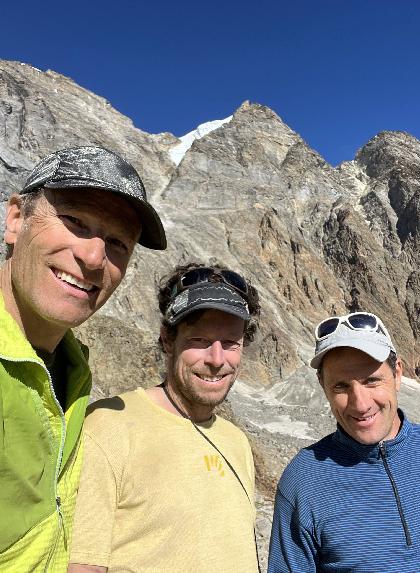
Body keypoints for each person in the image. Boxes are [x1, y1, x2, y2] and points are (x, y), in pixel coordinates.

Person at [0, 146, 166, 572]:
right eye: (75, 221)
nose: (94, 258)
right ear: (16, 218)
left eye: (117, 244)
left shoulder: (72, 372)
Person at [68, 263, 261, 573]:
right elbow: (83, 565)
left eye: (230, 343)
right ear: (168, 340)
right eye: (199, 341)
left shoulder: (235, 441)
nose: (216, 359)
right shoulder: (110, 425)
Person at [268, 311, 420, 573]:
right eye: (341, 387)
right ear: (323, 386)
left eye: (372, 381)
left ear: (397, 373)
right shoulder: (303, 480)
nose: (361, 404)